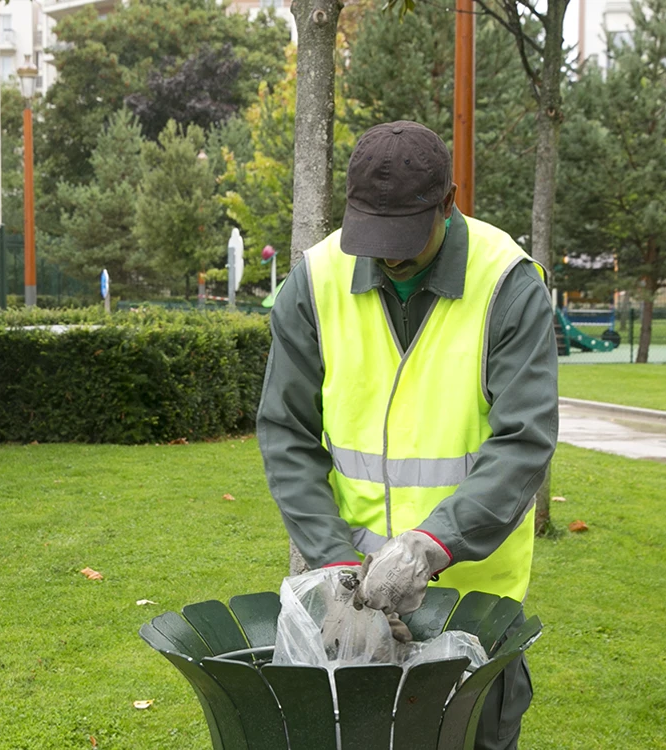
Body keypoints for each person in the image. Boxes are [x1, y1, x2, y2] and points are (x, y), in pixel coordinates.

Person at [257, 121, 559, 749]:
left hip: (470, 609)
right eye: (373, 236)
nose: (387, 256)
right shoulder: (315, 282)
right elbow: (286, 432)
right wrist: (337, 566)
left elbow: (524, 439)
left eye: (403, 239)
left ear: (448, 204)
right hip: (353, 605)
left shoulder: (507, 284)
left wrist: (430, 544)